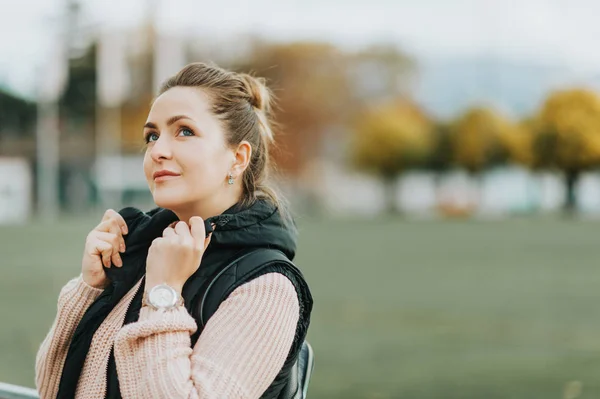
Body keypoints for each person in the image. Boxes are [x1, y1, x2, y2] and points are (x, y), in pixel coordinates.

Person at [35, 62, 313, 399]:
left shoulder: (266, 289)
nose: (158, 151)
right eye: (152, 136)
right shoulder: (139, 251)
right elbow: (51, 391)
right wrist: (89, 290)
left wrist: (164, 293)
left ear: (238, 159)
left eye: (184, 131)